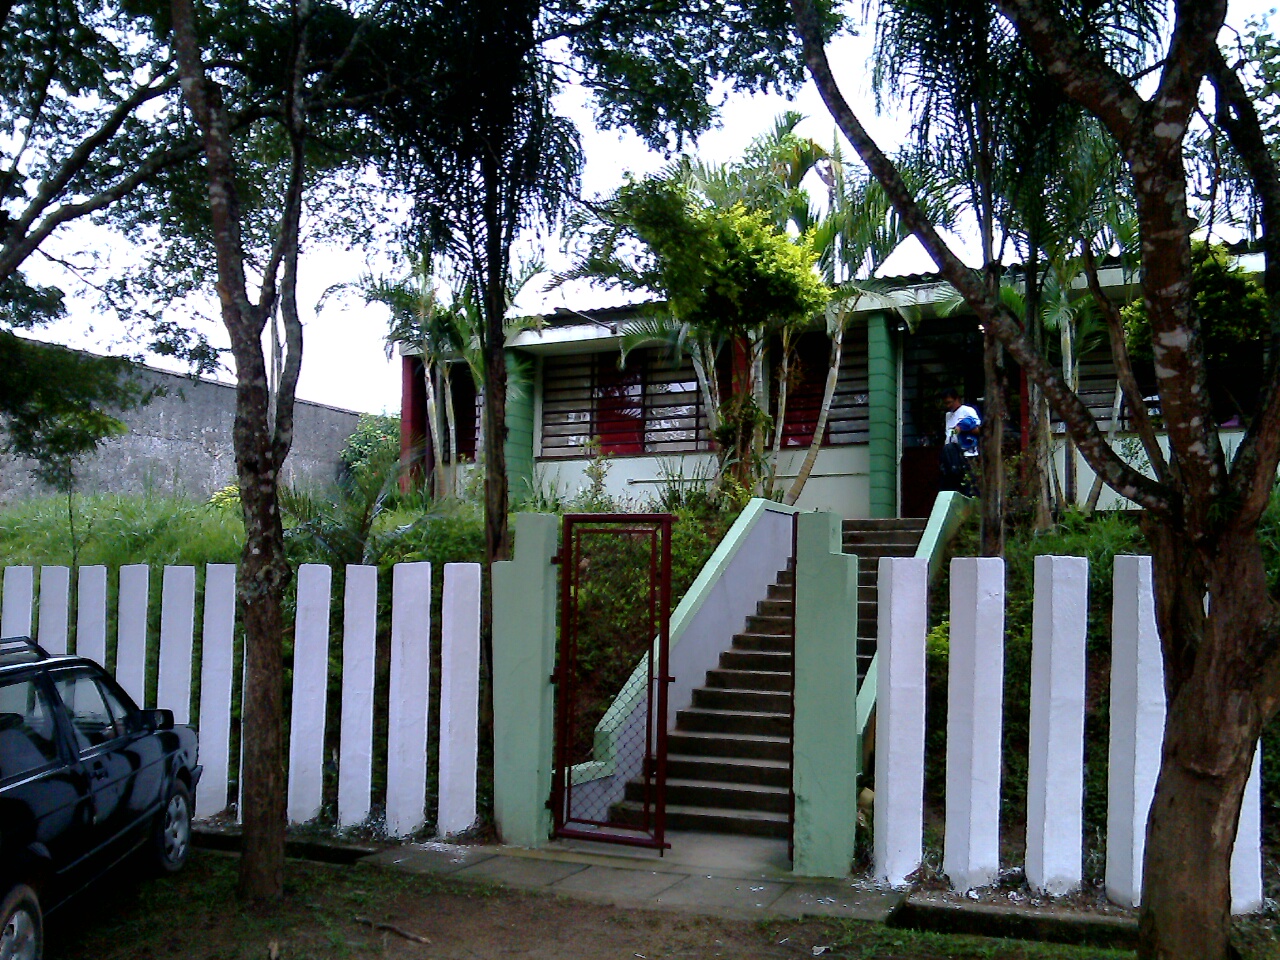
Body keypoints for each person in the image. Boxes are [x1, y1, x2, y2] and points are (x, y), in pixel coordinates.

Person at [940, 388, 981, 494]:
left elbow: (979, 429)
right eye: (946, 403)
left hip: (967, 454)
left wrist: (963, 428)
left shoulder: (967, 411)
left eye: (950, 402)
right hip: (951, 454)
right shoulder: (948, 415)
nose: (948, 406)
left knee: (969, 486)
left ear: (957, 399)